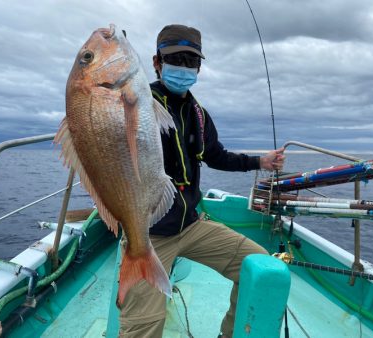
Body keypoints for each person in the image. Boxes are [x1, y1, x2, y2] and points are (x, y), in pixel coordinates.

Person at [119, 24, 285, 338]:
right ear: (156, 63)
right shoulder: (135, 103)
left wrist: (260, 162)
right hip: (148, 232)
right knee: (142, 326)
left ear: (199, 67)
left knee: (258, 266)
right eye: (175, 59)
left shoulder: (198, 113)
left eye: (190, 61)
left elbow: (215, 155)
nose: (183, 67)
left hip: (191, 224)